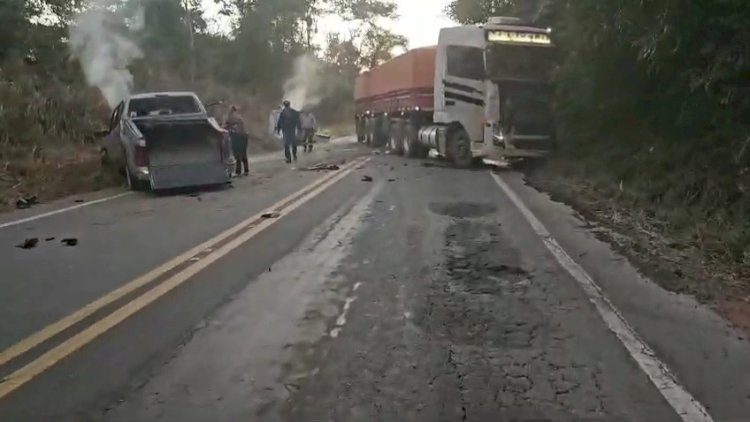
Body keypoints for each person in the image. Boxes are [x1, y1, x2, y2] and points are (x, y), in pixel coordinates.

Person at [225, 105, 249, 176]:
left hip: (239, 137)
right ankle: (245, 170)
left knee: (238, 154)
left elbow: (234, 128)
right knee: (242, 153)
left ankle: (239, 171)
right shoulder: (237, 118)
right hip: (242, 137)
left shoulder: (234, 118)